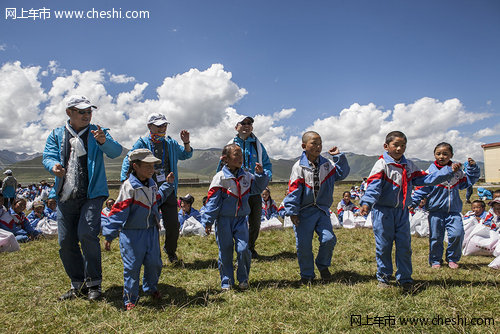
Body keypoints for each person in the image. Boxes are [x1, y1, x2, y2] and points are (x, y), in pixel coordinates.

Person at [42, 95, 123, 301]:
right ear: (69, 112)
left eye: (89, 111)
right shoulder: (57, 134)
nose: (87, 115)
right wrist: (54, 166)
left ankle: (94, 283)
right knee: (66, 241)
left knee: (87, 234)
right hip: (65, 195)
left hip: (92, 194)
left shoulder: (97, 131)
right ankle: (77, 284)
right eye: (82, 111)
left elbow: (115, 152)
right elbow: (48, 155)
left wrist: (103, 141)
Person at [359, 131, 457, 292]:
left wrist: (447, 171)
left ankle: (405, 278)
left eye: (402, 145)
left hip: (402, 212)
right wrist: (367, 204)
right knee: (384, 246)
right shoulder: (382, 165)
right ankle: (383, 277)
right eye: (395, 145)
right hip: (383, 212)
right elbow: (373, 188)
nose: (399, 148)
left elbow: (426, 179)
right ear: (386, 146)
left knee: (404, 246)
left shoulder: (409, 165)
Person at [103, 149, 175, 310]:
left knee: (155, 263)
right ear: (135, 166)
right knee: (132, 266)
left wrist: (168, 185)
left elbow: (157, 199)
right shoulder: (129, 187)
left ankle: (150, 288)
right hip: (132, 234)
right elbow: (118, 212)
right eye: (147, 166)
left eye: (153, 166)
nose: (152, 169)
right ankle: (130, 298)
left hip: (151, 231)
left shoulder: (152, 184)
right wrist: (109, 234)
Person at [120, 113, 193, 264]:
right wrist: (125, 180)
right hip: (148, 190)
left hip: (168, 189)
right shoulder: (142, 143)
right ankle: (150, 254)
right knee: (149, 223)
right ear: (149, 126)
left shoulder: (170, 143)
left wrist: (186, 143)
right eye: (159, 125)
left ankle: (170, 250)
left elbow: (185, 155)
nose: (162, 128)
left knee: (173, 223)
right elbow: (129, 159)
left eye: (164, 125)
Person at [283, 131, 350, 284]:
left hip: (321, 210)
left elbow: (342, 174)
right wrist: (292, 212)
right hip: (303, 212)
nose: (318, 146)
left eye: (320, 143)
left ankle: (323, 265)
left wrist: (338, 157)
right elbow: (293, 190)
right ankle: (307, 275)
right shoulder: (298, 167)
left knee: (329, 239)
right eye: (314, 143)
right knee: (304, 245)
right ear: (304, 146)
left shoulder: (327, 164)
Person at [202, 144, 269, 290]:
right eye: (236, 155)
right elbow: (213, 201)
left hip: (241, 220)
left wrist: (260, 175)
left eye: (241, 155)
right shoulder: (220, 178)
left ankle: (243, 278)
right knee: (225, 250)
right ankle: (227, 281)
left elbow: (257, 189)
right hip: (224, 220)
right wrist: (208, 221)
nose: (240, 158)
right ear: (225, 159)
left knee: (244, 249)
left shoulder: (247, 176)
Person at [412, 143, 480, 269]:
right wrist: (414, 202)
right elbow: (422, 189)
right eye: (438, 154)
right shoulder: (430, 173)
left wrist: (472, 168)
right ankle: (435, 260)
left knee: (457, 234)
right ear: (434, 155)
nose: (441, 156)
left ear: (451, 155)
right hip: (435, 211)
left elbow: (467, 182)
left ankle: (452, 258)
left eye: (445, 154)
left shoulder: (457, 172)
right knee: (436, 237)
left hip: (453, 211)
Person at [217, 116, 272, 258]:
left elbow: (267, 165)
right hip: (235, 190)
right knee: (237, 220)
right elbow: (221, 167)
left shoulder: (257, 146)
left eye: (250, 123)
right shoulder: (230, 145)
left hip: (253, 189)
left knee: (255, 221)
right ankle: (238, 249)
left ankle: (250, 247)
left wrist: (264, 178)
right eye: (243, 123)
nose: (247, 126)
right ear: (236, 127)